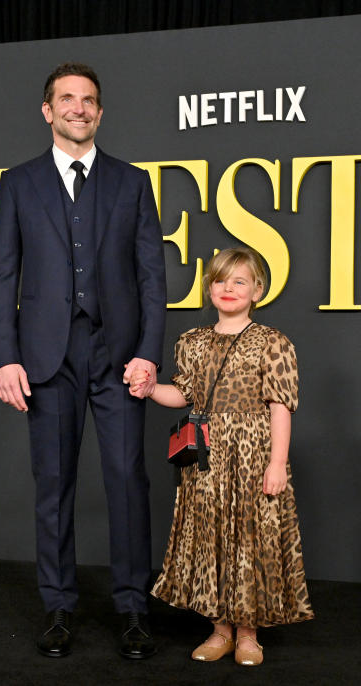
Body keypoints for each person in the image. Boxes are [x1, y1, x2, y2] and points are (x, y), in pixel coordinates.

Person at [0, 62, 166, 659]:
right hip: (45, 356)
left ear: (100, 112)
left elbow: (151, 279)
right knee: (54, 485)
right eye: (67, 99)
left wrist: (147, 353)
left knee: (127, 482)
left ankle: (133, 608)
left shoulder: (132, 182)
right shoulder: (17, 183)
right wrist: (4, 358)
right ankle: (59, 606)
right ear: (47, 110)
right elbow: (2, 276)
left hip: (117, 356)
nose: (78, 108)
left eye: (89, 100)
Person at [129, 246, 314, 666]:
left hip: (253, 457)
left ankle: (249, 634)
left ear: (257, 290)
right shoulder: (192, 342)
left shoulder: (273, 343)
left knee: (251, 540)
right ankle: (219, 630)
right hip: (207, 458)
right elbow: (184, 394)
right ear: (208, 288)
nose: (228, 288)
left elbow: (279, 406)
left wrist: (277, 463)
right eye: (219, 280)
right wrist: (149, 389)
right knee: (210, 538)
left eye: (239, 281)